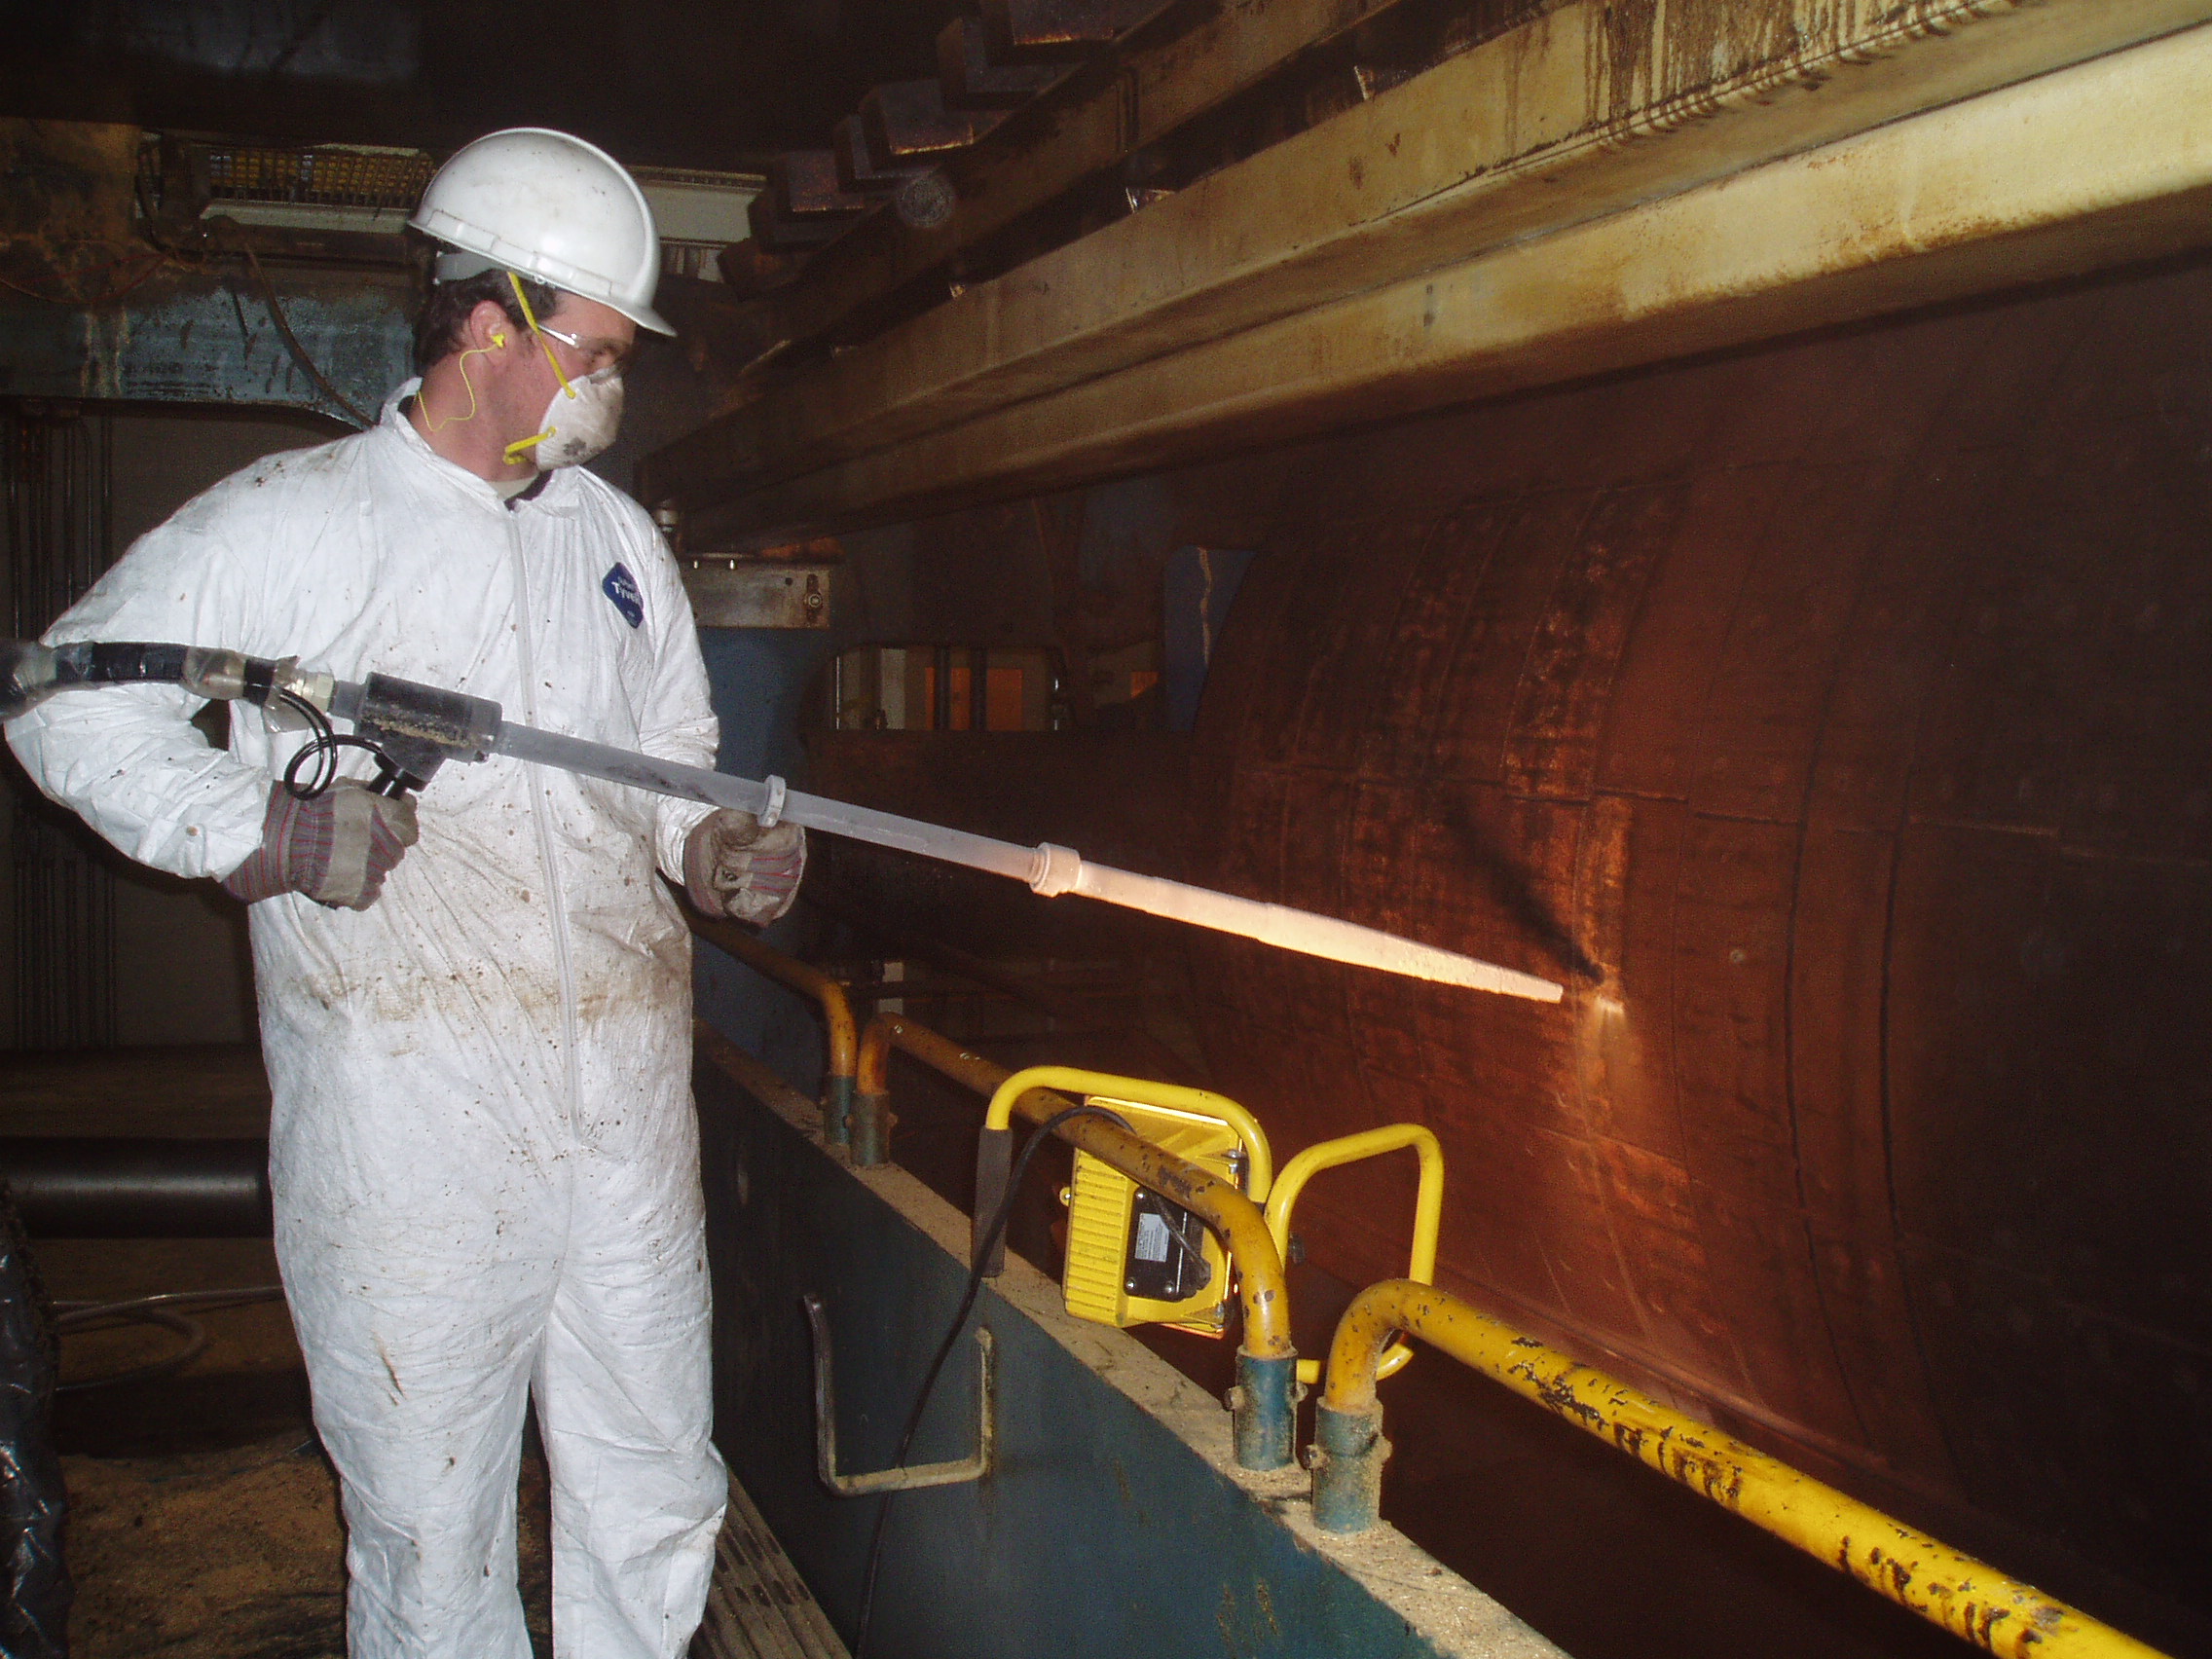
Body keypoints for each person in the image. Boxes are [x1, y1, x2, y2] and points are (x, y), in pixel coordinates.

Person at [5, 128, 802, 1659]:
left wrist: (708, 848)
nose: (613, 390)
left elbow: (669, 763)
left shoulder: (616, 541)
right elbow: (60, 701)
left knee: (657, 1485)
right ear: (488, 325)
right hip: (409, 1120)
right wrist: (260, 833)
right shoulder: (296, 521)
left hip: (626, 1109)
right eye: (596, 352)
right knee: (432, 1530)